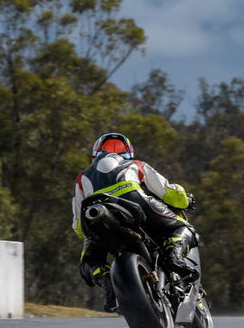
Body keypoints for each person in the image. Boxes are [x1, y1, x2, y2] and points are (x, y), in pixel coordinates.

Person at [71, 132, 197, 312]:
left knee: (88, 263)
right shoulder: (135, 164)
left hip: (97, 218)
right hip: (137, 204)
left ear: (95, 154)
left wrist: (93, 236)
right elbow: (168, 193)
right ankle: (173, 256)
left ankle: (109, 283)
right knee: (181, 227)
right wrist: (186, 200)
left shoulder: (82, 178)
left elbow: (77, 225)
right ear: (128, 152)